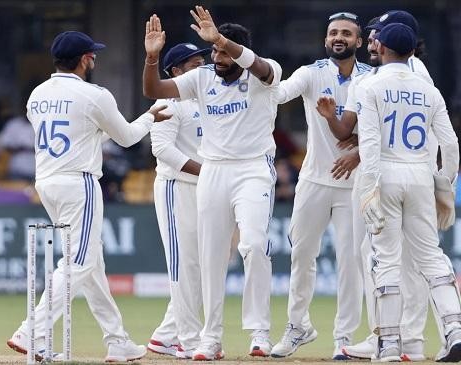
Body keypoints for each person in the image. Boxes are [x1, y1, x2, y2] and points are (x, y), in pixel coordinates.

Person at [6, 30, 169, 362]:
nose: (94, 59)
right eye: (92, 55)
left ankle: (117, 340)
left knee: (90, 262)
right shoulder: (94, 94)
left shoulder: (37, 93)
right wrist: (150, 117)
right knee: (79, 261)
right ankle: (31, 330)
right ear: (84, 60)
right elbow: (125, 138)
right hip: (78, 182)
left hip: (46, 181)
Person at [142, 6, 281, 360]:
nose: (216, 57)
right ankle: (210, 337)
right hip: (214, 170)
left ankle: (259, 332)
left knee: (253, 245)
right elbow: (154, 88)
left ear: (240, 52)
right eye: (215, 51)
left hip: (252, 169)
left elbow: (262, 68)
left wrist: (221, 38)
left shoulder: (266, 74)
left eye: (222, 50)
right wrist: (152, 57)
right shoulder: (203, 78)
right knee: (211, 258)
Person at [317, 11, 450, 361]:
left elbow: (407, 134)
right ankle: (391, 335)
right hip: (409, 175)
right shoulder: (399, 74)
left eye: (377, 34)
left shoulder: (412, 73)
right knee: (384, 256)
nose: (372, 41)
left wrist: (361, 154)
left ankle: (404, 339)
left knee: (401, 261)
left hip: (395, 174)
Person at [354, 22, 461, 362]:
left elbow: (371, 145)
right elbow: (450, 143)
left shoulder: (371, 86)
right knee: (432, 257)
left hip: (386, 173)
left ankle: (389, 344)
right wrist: (445, 186)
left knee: (386, 257)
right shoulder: (429, 90)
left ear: (384, 49)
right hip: (421, 174)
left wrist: (368, 189)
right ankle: (454, 331)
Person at [268, 12, 369, 360]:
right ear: (326, 40)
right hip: (313, 181)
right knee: (301, 256)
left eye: (346, 33)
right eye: (332, 33)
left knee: (351, 262)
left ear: (359, 40)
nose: (338, 37)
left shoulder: (371, 79)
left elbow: (382, 128)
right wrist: (251, 67)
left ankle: (344, 337)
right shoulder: (311, 73)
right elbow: (279, 93)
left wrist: (358, 151)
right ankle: (298, 327)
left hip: (354, 185)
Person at [146, 42, 210, 359]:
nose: (205, 68)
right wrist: (206, 172)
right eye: (196, 64)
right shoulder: (168, 102)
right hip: (177, 187)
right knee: (184, 265)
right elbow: (163, 150)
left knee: (202, 267)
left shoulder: (209, 98)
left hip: (206, 189)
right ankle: (188, 339)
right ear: (176, 72)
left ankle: (165, 336)